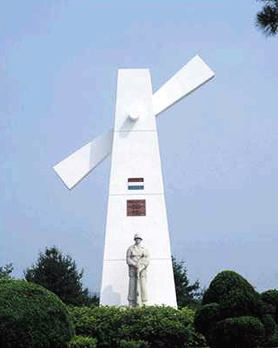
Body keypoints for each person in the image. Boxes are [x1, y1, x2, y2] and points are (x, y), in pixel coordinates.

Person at [126, 234, 150, 307]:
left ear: (141, 239)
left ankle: (144, 302)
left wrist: (141, 267)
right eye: (136, 239)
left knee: (143, 286)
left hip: (142, 271)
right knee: (132, 286)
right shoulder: (130, 248)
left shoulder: (144, 249)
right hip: (133, 270)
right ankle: (131, 302)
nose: (137, 240)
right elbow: (128, 259)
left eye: (139, 239)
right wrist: (135, 265)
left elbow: (147, 259)